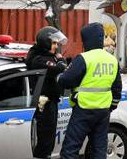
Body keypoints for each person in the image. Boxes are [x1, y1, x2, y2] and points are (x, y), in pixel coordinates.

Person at [58, 23, 121, 159]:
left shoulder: (84, 58)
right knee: (99, 149)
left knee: (70, 149)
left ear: (86, 40)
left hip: (84, 109)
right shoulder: (112, 60)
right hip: (103, 110)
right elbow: (117, 88)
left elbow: (66, 81)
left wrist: (59, 77)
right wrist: (112, 106)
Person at [26, 26, 68, 159]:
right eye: (54, 43)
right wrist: (61, 60)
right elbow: (60, 68)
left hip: (50, 103)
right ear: (45, 42)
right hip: (44, 104)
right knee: (45, 140)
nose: (57, 46)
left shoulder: (47, 56)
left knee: (49, 139)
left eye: (57, 43)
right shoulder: (39, 59)